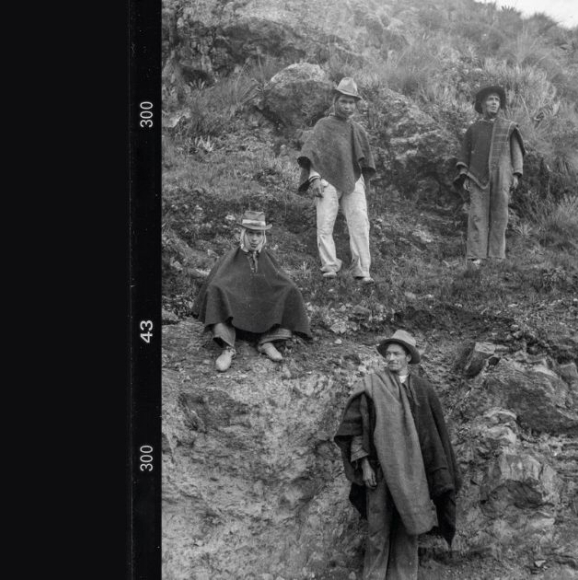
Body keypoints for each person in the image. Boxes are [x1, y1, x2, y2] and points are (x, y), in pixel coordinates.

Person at [334, 330, 461, 580]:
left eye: (396, 354)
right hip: (379, 471)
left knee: (408, 530)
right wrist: (364, 465)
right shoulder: (373, 385)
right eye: (388, 354)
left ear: (408, 357)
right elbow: (358, 429)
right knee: (377, 531)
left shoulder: (423, 390)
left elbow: (433, 437)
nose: (390, 358)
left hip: (413, 475)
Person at [192, 211, 312, 371]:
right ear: (243, 234)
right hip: (234, 320)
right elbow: (216, 283)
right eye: (250, 233)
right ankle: (228, 348)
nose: (254, 239)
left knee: (291, 292)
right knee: (215, 291)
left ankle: (266, 341)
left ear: (263, 236)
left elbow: (282, 283)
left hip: (262, 317)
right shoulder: (230, 258)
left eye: (258, 234)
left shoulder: (268, 258)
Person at [297, 77, 377, 283]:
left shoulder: (357, 130)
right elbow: (314, 153)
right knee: (325, 222)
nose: (348, 106)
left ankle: (362, 270)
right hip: (327, 179)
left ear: (356, 105)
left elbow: (364, 161)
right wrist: (314, 178)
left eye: (352, 102)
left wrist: (365, 184)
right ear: (335, 101)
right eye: (344, 101)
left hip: (353, 180)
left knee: (360, 222)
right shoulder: (324, 125)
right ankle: (329, 266)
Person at [454, 85, 526, 266]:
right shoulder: (474, 129)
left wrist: (516, 174)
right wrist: (464, 175)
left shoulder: (508, 128)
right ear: (483, 104)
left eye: (497, 100)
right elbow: (464, 153)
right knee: (477, 215)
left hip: (502, 176)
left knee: (500, 215)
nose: (494, 103)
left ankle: (496, 257)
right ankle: (476, 256)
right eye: (490, 100)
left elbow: (516, 153)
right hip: (477, 176)